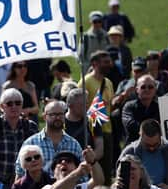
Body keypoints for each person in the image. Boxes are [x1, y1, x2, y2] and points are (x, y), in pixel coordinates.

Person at [0, 89, 38, 189]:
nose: (14, 106)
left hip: (24, 186)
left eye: (18, 103)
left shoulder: (30, 127)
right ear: (2, 107)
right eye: (9, 103)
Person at [16, 100, 83, 179]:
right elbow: (19, 175)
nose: (57, 117)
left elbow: (82, 176)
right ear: (44, 117)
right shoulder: (31, 143)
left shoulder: (74, 145)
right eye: (53, 114)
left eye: (60, 114)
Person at [120, 119, 168, 189]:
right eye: (147, 145)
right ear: (140, 136)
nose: (152, 148)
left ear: (161, 136)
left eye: (156, 145)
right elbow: (120, 185)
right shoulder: (129, 153)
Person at [79, 51, 114, 182]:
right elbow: (79, 104)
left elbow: (109, 106)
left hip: (107, 130)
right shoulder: (86, 81)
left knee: (106, 171)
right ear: (94, 63)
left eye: (109, 62)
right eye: (105, 62)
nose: (109, 65)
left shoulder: (109, 83)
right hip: (92, 131)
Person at [65, 88, 104, 160]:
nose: (86, 107)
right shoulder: (60, 122)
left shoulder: (92, 121)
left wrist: (90, 159)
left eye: (87, 103)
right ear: (70, 105)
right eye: (82, 104)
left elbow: (100, 148)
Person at [121, 74, 160, 145]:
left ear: (155, 90)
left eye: (150, 87)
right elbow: (130, 125)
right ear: (137, 90)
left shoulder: (159, 107)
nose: (147, 90)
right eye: (143, 87)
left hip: (155, 147)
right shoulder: (129, 106)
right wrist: (153, 129)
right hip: (133, 147)